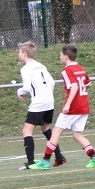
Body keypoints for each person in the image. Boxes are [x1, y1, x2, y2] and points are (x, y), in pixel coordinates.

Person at [28, 44, 95, 170]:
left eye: (61, 55)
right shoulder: (80, 68)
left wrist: (68, 104)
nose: (60, 57)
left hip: (73, 107)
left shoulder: (66, 70)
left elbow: (74, 86)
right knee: (77, 134)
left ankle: (45, 162)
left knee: (56, 132)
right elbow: (88, 84)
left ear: (66, 57)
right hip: (84, 105)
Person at [15, 41, 64, 170]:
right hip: (49, 102)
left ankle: (30, 162)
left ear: (24, 54)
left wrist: (19, 92)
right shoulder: (41, 65)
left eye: (19, 52)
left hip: (38, 103)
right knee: (45, 128)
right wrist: (46, 94)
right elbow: (52, 82)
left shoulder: (25, 69)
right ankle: (59, 156)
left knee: (27, 131)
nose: (18, 55)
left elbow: (26, 87)